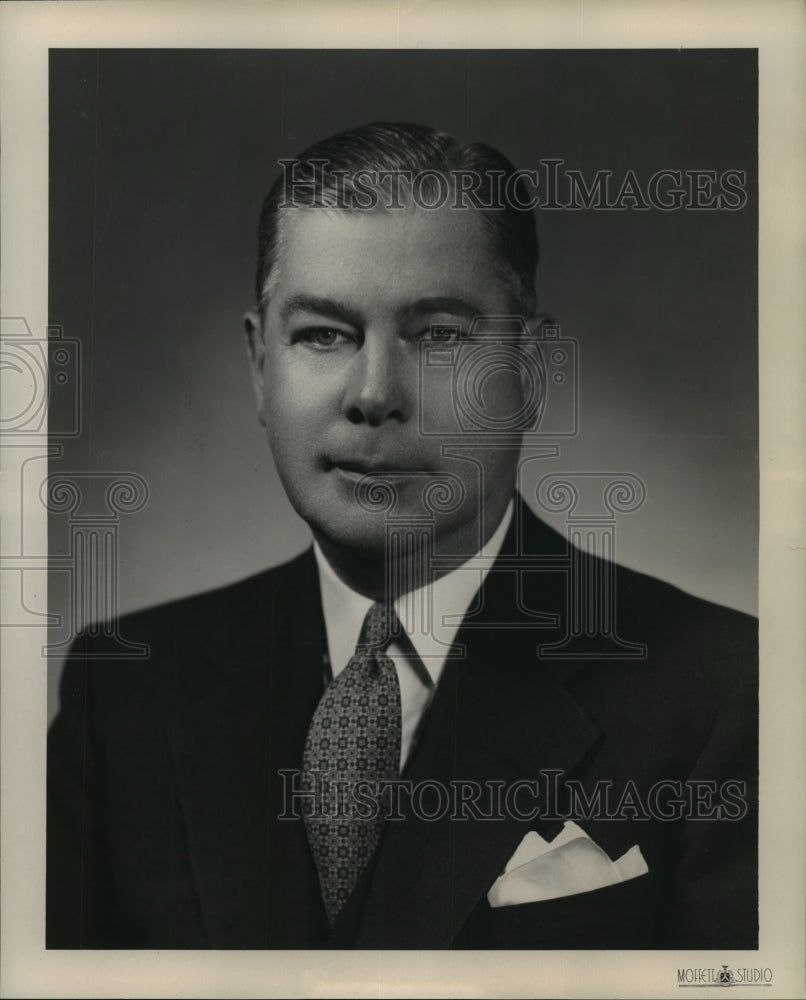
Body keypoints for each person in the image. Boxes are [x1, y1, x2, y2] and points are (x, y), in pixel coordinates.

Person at [47, 122, 757, 949]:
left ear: (528, 372)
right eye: (323, 333)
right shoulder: (126, 690)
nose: (375, 393)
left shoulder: (724, 695)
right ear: (258, 366)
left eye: (440, 336)